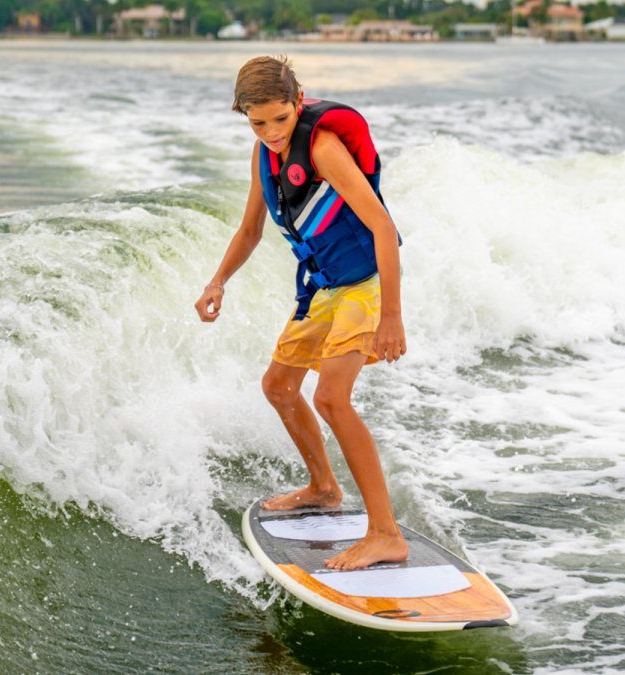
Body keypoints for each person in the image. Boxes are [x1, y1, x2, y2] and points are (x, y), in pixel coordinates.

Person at [193, 56, 408, 571]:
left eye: (280, 120)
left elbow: (382, 227)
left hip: (362, 285)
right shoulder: (263, 154)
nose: (270, 133)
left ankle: (385, 534)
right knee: (279, 387)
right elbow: (250, 230)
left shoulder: (325, 147)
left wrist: (392, 317)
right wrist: (217, 280)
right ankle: (323, 487)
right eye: (256, 122)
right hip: (321, 286)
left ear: (298, 101)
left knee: (333, 399)